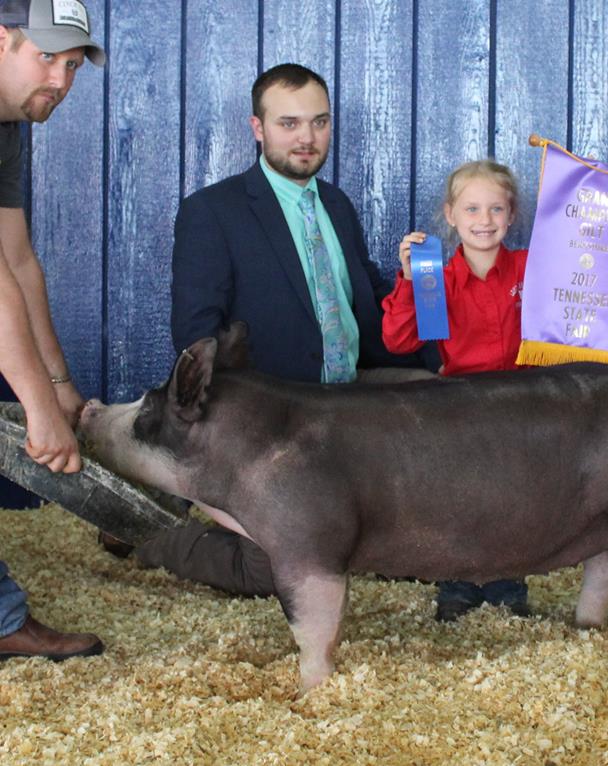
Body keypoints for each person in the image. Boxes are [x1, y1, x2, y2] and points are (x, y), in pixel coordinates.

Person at [101, 63, 436, 594]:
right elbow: (196, 336)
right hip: (274, 423)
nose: (307, 138)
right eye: (289, 123)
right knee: (271, 571)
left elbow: (366, 307)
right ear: (257, 128)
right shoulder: (213, 211)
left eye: (319, 122)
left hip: (351, 405)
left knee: (434, 409)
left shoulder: (338, 205)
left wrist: (425, 308)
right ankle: (152, 533)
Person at [0, 0, 105, 660]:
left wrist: (60, 385)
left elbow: (17, 258)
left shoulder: (10, 123)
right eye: (47, 58)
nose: (61, 82)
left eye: (72, 65)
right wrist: (40, 410)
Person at [381, 159, 531, 622]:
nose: (483, 221)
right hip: (460, 406)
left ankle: (507, 580)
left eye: (495, 209)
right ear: (450, 215)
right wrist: (408, 279)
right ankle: (458, 580)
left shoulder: (532, 269)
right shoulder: (435, 279)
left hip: (525, 403)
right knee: (458, 495)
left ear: (511, 215)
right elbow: (400, 341)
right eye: (471, 209)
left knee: (515, 493)